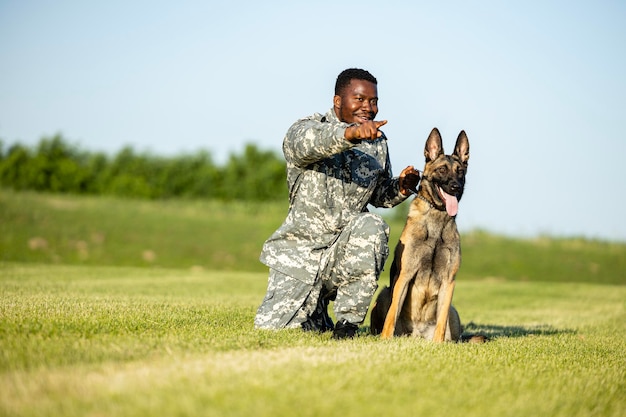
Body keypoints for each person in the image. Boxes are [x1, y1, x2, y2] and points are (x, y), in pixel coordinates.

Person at [254, 68, 420, 339]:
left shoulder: (377, 143)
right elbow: (301, 146)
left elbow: (377, 195)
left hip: (343, 255)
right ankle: (315, 312)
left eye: (373, 101)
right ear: (337, 101)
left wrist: (400, 187)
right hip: (300, 257)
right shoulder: (308, 128)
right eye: (359, 99)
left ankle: (347, 326)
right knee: (276, 331)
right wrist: (350, 134)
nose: (368, 107)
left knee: (372, 226)